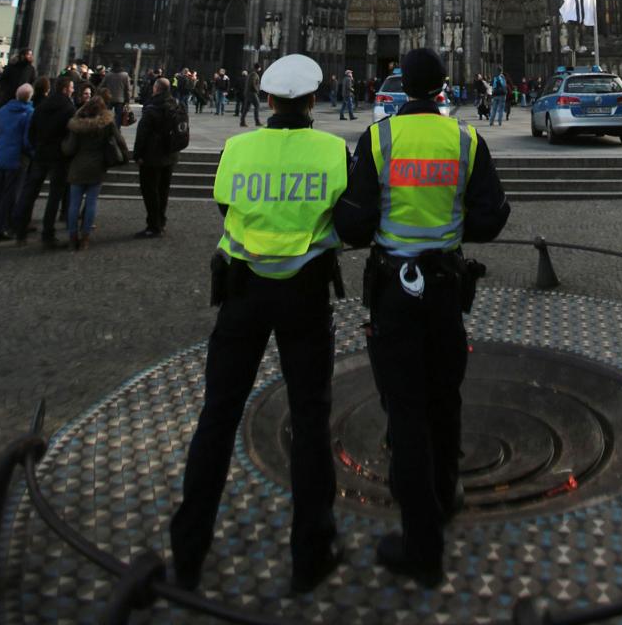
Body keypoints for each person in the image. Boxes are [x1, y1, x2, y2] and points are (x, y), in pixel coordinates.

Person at [170, 54, 349, 594]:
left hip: (242, 295)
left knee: (218, 417)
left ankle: (188, 550)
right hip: (304, 297)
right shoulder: (333, 151)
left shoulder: (237, 148)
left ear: (266, 100)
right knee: (310, 422)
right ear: (315, 100)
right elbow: (349, 216)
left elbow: (225, 207)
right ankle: (310, 554)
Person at [335, 47, 510, 587]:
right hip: (445, 288)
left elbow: (356, 225)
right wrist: (452, 230)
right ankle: (448, 491)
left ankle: (421, 543)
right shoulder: (464, 138)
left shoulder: (379, 138)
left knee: (405, 411)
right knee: (445, 395)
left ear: (401, 87)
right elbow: (493, 215)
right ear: (442, 89)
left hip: (393, 289)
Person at [12, 76, 77, 247]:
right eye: (71, 87)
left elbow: (31, 132)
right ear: (64, 89)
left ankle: (20, 231)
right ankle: (48, 234)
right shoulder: (69, 108)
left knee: (30, 192)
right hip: (59, 157)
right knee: (54, 196)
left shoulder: (41, 106)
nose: (73, 90)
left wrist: (36, 147)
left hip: (40, 154)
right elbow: (71, 134)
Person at [61, 95, 128, 250]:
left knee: (74, 204)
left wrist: (63, 146)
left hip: (78, 166)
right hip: (97, 166)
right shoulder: (106, 124)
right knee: (91, 203)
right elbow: (119, 141)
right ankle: (85, 238)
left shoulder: (76, 125)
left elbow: (69, 148)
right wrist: (124, 157)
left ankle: (72, 237)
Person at [0, 84, 34, 244]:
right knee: (9, 195)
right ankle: (0, 228)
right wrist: (32, 154)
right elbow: (27, 140)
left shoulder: (3, 111)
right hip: (16, 159)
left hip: (0, 157)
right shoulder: (28, 113)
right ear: (29, 97)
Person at [133, 77, 179, 238]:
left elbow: (142, 133)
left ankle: (153, 225)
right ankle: (161, 220)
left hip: (152, 157)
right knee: (163, 190)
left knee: (150, 191)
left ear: (156, 88)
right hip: (170, 155)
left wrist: (137, 154)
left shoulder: (152, 107)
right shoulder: (175, 105)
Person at [0, 49, 36, 131]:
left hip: (24, 98)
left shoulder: (31, 69)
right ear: (22, 56)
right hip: (9, 97)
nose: (30, 57)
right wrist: (7, 89)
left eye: (31, 55)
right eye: (28, 55)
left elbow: (32, 82)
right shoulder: (12, 67)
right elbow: (2, 80)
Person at [99, 62, 131, 129]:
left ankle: (106, 128)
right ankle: (116, 130)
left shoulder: (108, 75)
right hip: (120, 100)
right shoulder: (125, 75)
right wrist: (128, 100)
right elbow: (127, 89)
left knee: (106, 115)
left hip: (109, 98)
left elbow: (101, 86)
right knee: (118, 117)